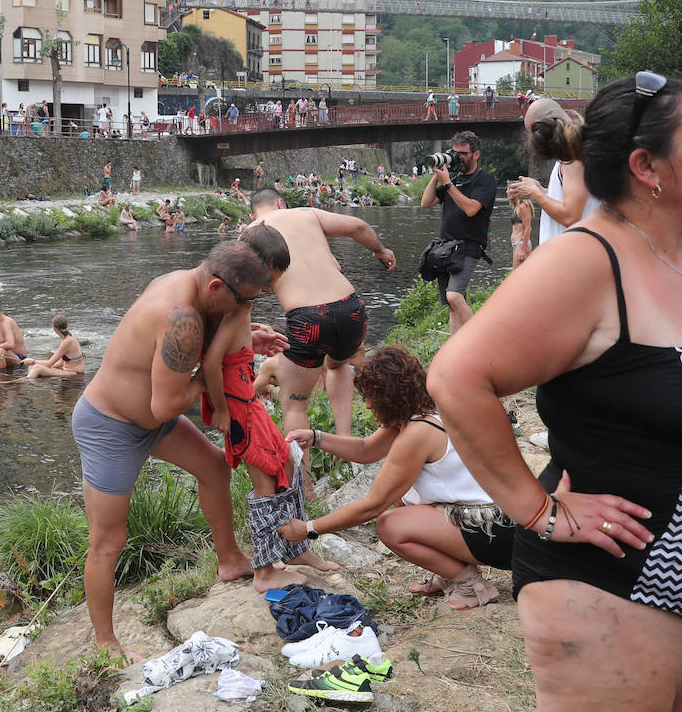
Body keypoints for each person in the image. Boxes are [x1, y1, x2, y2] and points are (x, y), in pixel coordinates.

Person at [428, 71, 682, 712]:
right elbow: (456, 378)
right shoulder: (586, 261)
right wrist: (537, 510)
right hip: (617, 596)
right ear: (645, 166)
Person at [71, 241, 289, 654]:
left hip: (151, 422)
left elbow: (178, 363)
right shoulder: (180, 317)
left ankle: (230, 560)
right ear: (217, 287)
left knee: (215, 468)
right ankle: (105, 642)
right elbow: (166, 405)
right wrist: (208, 378)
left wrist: (243, 338)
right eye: (242, 301)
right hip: (109, 427)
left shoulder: (186, 282)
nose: (243, 309)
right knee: (108, 540)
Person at [279, 346, 513, 609]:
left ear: (390, 395)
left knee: (391, 525)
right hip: (503, 521)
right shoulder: (427, 410)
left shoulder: (418, 432)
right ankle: (451, 572)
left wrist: (309, 529)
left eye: (372, 397)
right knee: (401, 498)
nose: (368, 405)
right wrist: (317, 437)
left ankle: (469, 584)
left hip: (493, 534)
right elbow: (366, 450)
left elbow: (372, 505)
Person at [203, 226, 338, 592]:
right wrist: (220, 411)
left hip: (248, 400)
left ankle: (296, 548)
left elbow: (228, 348)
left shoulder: (240, 306)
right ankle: (264, 570)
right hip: (238, 409)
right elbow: (212, 362)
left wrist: (251, 338)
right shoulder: (235, 307)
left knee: (288, 462)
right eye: (266, 282)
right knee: (265, 482)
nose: (267, 289)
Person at [248, 187, 396, 437]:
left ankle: (302, 463)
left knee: (295, 406)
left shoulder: (251, 234)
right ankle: (345, 443)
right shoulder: (306, 213)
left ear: (253, 216)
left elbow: (247, 288)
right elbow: (358, 226)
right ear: (282, 203)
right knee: (337, 366)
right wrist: (380, 250)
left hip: (308, 320)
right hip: (351, 307)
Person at [420, 129, 497, 333]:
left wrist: (447, 183)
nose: (458, 157)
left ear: (476, 154)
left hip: (469, 246)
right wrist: (437, 175)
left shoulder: (485, 180)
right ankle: (455, 345)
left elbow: (471, 209)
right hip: (446, 249)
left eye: (463, 153)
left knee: (454, 296)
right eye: (455, 153)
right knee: (452, 304)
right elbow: (426, 202)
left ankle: (481, 337)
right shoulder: (453, 178)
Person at [507, 99, 603, 246]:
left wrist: (535, 193)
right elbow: (575, 200)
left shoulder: (572, 156)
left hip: (573, 251)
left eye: (535, 131)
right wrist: (543, 191)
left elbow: (571, 216)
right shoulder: (571, 151)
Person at [25, 314, 86, 378]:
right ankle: (34, 382)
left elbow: (49, 364)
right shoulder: (67, 338)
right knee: (32, 366)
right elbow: (60, 363)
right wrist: (42, 366)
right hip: (66, 370)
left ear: (55, 328)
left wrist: (33, 361)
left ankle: (25, 382)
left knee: (37, 368)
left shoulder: (67, 341)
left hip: (75, 374)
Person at [511, 198, 533, 268]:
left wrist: (523, 248)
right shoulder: (517, 206)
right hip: (517, 244)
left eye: (510, 192)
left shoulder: (523, 206)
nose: (507, 192)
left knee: (517, 273)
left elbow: (528, 228)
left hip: (521, 244)